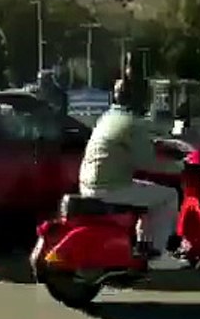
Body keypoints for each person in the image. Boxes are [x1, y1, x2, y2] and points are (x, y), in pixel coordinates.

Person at [78, 77, 187, 270]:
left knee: (148, 193)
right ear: (137, 99)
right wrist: (181, 168)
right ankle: (159, 254)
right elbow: (148, 161)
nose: (148, 102)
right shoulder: (131, 123)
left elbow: (135, 144)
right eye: (146, 97)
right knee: (169, 196)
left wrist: (159, 144)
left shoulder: (110, 116)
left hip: (91, 181)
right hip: (109, 186)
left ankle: (143, 244)